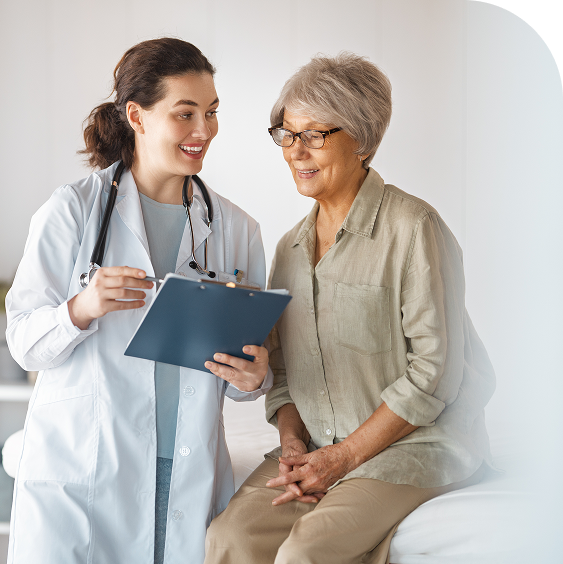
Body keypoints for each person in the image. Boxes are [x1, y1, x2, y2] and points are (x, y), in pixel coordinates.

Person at [204, 52, 496, 564]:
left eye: (315, 134)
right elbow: (287, 373)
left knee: (306, 552)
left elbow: (434, 375)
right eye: (287, 135)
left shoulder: (414, 228)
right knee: (228, 537)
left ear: (363, 141)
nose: (297, 151)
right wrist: (294, 445)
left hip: (412, 450)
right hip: (319, 446)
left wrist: (340, 459)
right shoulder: (289, 249)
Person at [5, 38, 272, 564]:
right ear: (137, 116)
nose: (204, 131)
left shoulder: (237, 229)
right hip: (91, 464)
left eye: (212, 112)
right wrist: (80, 308)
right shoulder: (72, 212)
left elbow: (246, 378)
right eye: (186, 113)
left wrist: (256, 376)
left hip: (187, 462)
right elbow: (23, 344)